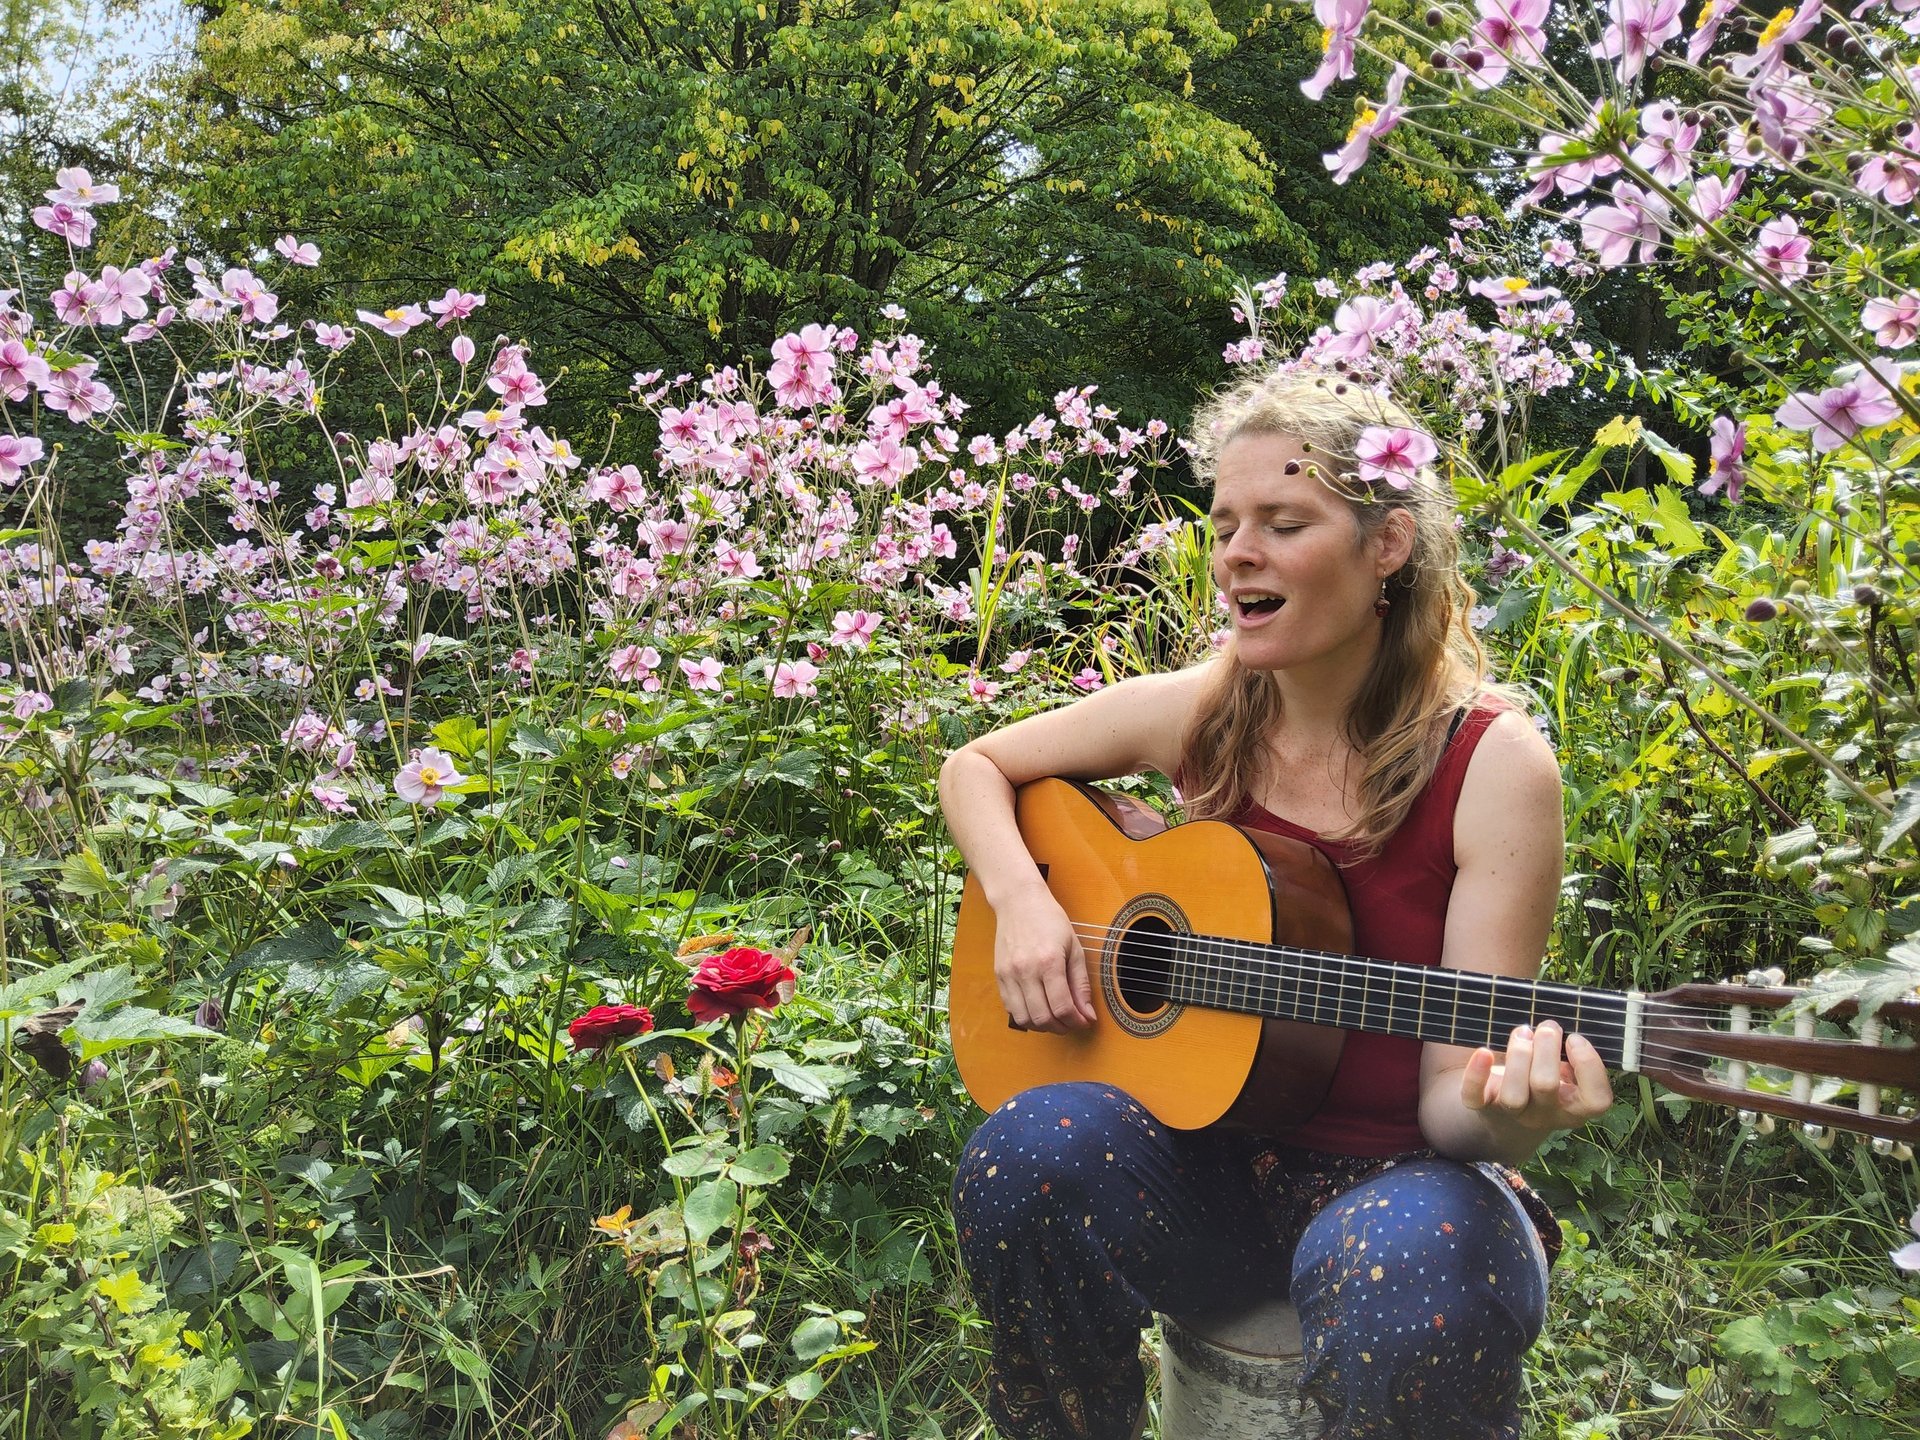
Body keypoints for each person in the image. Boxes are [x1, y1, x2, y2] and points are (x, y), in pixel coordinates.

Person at [938, 369, 1615, 1440]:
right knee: (1027, 1154)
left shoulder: (1491, 764)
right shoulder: (1206, 708)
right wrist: (1023, 900)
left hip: (1403, 1187)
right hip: (1203, 1164)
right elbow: (975, 765)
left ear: (1387, 545)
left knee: (1413, 1279)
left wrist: (1511, 1113)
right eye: (1224, 526)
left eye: (1283, 524)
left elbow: (1453, 1108)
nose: (1235, 555)